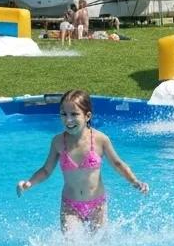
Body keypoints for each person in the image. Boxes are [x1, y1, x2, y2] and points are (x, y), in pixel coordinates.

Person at [15, 89, 148, 230]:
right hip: (70, 206)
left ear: (87, 116)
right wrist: (29, 183)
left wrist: (135, 181)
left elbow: (117, 164)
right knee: (71, 242)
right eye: (64, 114)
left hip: (97, 205)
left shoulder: (100, 139)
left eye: (74, 114)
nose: (68, 120)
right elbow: (46, 170)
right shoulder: (58, 142)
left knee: (98, 242)